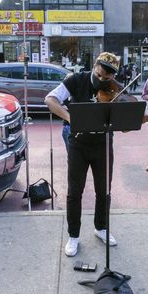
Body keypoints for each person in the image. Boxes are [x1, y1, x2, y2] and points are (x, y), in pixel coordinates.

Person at [45, 52, 121, 257]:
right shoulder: (75, 80)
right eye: (100, 75)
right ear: (95, 66)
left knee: (104, 190)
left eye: (108, 78)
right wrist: (70, 118)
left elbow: (124, 118)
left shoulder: (114, 87)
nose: (104, 81)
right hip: (78, 143)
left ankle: (101, 228)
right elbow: (50, 99)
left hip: (103, 143)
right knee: (75, 191)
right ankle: (74, 235)